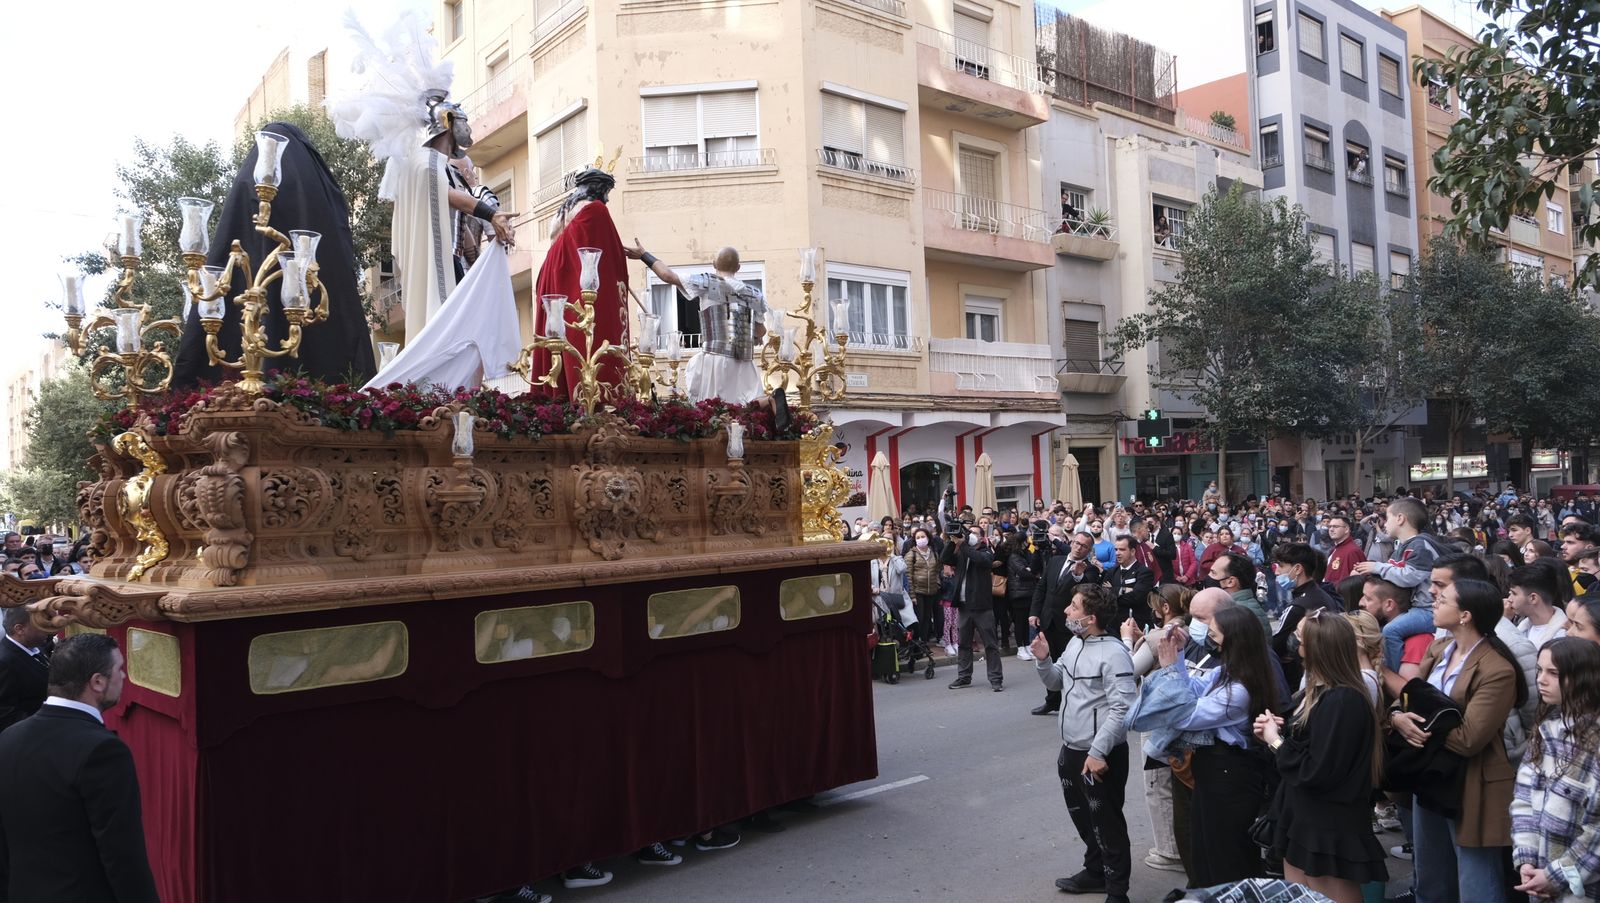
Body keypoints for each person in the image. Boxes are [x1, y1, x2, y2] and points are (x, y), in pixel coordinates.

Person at [174, 120, 381, 388]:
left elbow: (230, 243)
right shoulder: (316, 185)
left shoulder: (247, 181)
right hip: (311, 314)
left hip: (245, 302)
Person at [1391, 578, 1526, 903]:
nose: (1434, 601)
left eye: (1443, 598)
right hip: (1432, 775)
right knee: (1431, 875)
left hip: (1473, 783)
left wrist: (1420, 724)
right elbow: (1409, 696)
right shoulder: (1439, 649)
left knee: (1476, 881)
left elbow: (1469, 739)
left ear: (1465, 615)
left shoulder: (1497, 668)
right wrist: (1397, 717)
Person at [0, 634, 159, 903]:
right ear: (97, 681)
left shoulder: (8, 738)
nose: (124, 677)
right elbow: (122, 855)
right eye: (119, 669)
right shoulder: (104, 751)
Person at [1254, 612, 1387, 903]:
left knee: (1324, 886)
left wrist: (1275, 740)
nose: (1295, 644)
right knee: (1301, 889)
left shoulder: (1343, 700)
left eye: (1301, 639)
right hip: (1304, 811)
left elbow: (1318, 769)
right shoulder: (1322, 691)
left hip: (1328, 817)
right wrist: (1281, 731)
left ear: (1317, 649)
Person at [1151, 605, 1280, 888]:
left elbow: (1187, 715)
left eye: (1214, 633)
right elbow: (1194, 689)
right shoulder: (1227, 672)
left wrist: (1169, 669)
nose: (1209, 639)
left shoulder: (1240, 689)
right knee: (1206, 849)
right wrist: (1181, 656)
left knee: (1226, 856)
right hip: (1213, 771)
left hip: (1230, 776)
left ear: (1234, 639)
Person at [1030, 585, 1136, 903]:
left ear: (1090, 618)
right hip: (1072, 749)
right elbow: (1056, 681)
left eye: (1073, 607)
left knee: (1107, 823)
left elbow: (1122, 709)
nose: (1066, 611)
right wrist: (1043, 660)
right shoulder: (1077, 642)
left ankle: (1118, 892)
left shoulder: (1114, 653)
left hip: (1100, 756)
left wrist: (1098, 752)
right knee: (1084, 817)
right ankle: (1095, 872)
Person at [531, 165, 631, 400]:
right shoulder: (595, 209)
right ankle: (594, 398)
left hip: (553, 278)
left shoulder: (562, 212)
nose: (607, 199)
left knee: (559, 339)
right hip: (574, 281)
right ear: (599, 188)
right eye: (607, 192)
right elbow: (605, 257)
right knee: (588, 337)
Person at [1511, 637, 1600, 900]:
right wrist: (1526, 858)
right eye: (1539, 670)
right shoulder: (1547, 729)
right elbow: (1524, 798)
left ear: (1583, 677)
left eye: (1553, 673)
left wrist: (1557, 875)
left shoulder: (1594, 743)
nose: (1541, 679)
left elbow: (1597, 830)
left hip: (1583, 889)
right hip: (1539, 877)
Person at [624, 243, 767, 404]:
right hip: (744, 361)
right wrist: (752, 334)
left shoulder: (706, 282)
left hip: (715, 358)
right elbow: (761, 331)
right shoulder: (755, 294)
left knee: (715, 409)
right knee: (748, 408)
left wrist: (644, 255)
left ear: (714, 264)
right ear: (738, 267)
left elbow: (667, 276)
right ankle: (771, 402)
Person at [1354, 497, 1440, 671]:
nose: (1384, 523)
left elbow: (1411, 576)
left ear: (1400, 519)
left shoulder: (1421, 544)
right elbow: (1393, 568)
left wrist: (1377, 567)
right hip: (1417, 607)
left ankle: (1390, 672)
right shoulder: (1404, 545)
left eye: (1387, 517)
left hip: (1429, 609)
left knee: (1390, 631)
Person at [1030, 531, 1102, 714]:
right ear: (1071, 542)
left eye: (1084, 546)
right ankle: (1052, 701)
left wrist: (1078, 576)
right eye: (1077, 543)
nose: (1079, 548)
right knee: (1048, 660)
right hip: (1047, 620)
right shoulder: (1055, 561)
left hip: (1069, 625)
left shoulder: (1090, 569)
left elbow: (1089, 592)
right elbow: (1042, 588)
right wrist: (1034, 612)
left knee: (1068, 664)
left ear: (1089, 550)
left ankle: (1069, 700)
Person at [1270, 542, 1341, 689]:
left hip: (1300, 677)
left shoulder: (1299, 605)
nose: (1277, 572)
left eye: (1281, 566)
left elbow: (1276, 646)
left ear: (1297, 569)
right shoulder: (1322, 595)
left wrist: (1292, 650)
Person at [942, 524, 1003, 691]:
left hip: (982, 606)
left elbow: (981, 560)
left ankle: (996, 679)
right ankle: (964, 676)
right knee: (963, 644)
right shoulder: (962, 551)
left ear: (982, 537)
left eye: (974, 533)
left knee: (990, 645)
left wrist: (963, 545)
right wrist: (952, 540)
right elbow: (945, 559)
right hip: (964, 606)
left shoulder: (986, 552)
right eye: (969, 533)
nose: (970, 535)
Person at [0, 608, 52, 734]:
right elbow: (5, 712)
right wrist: (47, 725)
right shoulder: (4, 662)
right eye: (41, 625)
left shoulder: (35, 647)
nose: (48, 629)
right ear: (20, 629)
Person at [1508, 557, 1572, 648]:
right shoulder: (1522, 626)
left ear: (1533, 598)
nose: (1509, 599)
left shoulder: (1562, 637)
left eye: (1514, 593)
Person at [1210, 551, 1271, 634]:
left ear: (1230, 582)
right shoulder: (1235, 606)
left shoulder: (1238, 615)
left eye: (1213, 573)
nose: (1209, 576)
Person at [1104, 536, 1156, 627]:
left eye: (1122, 550)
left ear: (1132, 551)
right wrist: (1123, 590)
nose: (1117, 553)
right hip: (1113, 625)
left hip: (1136, 625)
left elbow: (1136, 598)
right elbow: (1103, 594)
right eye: (1116, 549)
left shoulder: (1144, 572)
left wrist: (1112, 590)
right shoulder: (1111, 571)